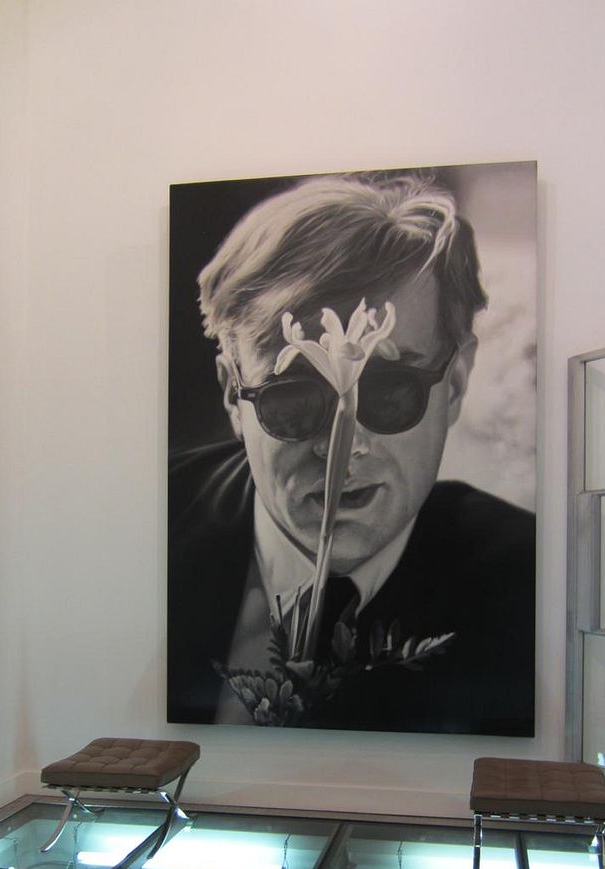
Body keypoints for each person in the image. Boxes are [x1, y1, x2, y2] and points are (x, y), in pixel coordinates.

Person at [168, 171, 535, 734]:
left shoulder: (524, 589)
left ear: (456, 385)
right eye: (292, 397)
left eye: (391, 392)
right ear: (232, 396)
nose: (345, 447)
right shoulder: (147, 531)